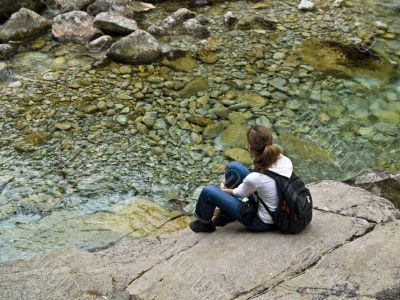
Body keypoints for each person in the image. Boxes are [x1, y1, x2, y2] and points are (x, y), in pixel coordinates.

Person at [189, 125, 293, 233]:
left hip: (263, 222)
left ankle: (204, 224)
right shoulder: (284, 159)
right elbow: (259, 177)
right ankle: (226, 215)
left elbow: (238, 193)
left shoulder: (255, 178)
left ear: (249, 147)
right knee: (233, 167)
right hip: (278, 207)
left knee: (208, 191)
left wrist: (222, 190)